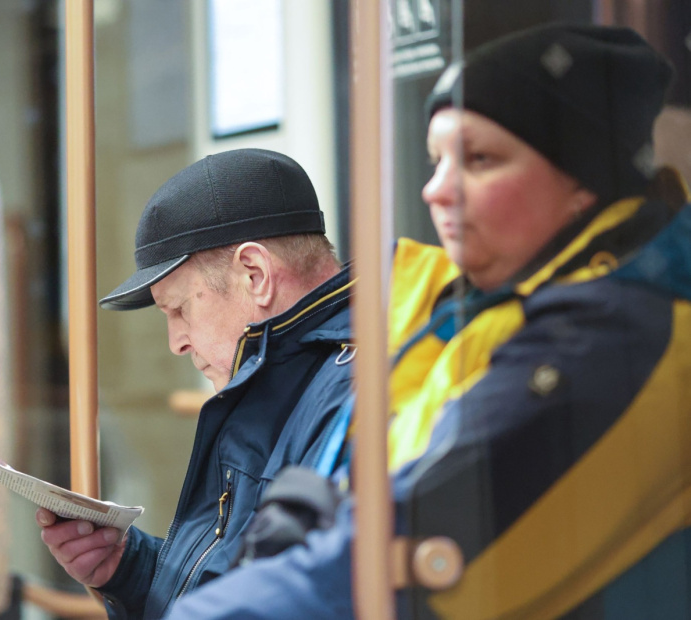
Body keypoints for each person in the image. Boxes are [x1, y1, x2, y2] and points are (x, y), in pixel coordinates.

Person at [165, 22, 691, 619]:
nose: (435, 191)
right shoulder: (473, 310)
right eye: (437, 161)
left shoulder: (615, 335)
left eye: (480, 159)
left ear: (583, 180)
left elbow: (392, 540)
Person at [36, 148, 355, 619]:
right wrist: (131, 569)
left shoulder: (356, 395)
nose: (176, 343)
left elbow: (306, 600)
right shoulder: (276, 380)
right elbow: (240, 581)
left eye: (180, 309)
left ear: (255, 275)